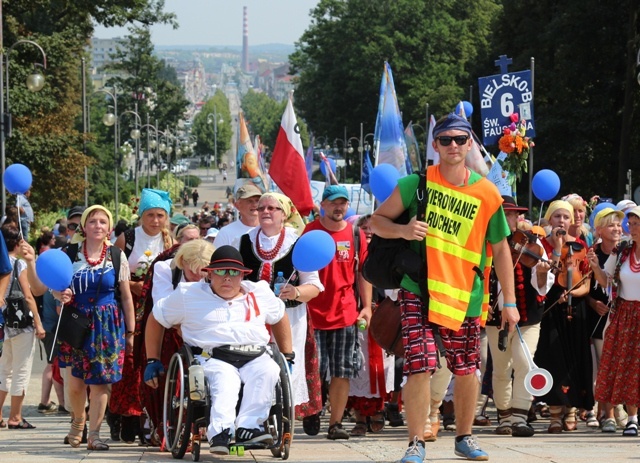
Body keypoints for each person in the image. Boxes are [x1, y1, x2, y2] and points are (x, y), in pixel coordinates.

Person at [370, 113, 517, 462]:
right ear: (435, 145)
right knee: (419, 366)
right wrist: (403, 231)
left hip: (465, 293)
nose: (453, 145)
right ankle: (415, 442)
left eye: (460, 139)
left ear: (470, 144)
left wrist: (508, 301)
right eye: (446, 140)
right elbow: (376, 222)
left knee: (466, 369)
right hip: (418, 289)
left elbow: (501, 249)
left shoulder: (486, 192)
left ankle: (464, 437)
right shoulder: (414, 184)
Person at [145, 245, 293, 455]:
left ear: (242, 275)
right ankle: (220, 433)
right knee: (226, 380)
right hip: (214, 357)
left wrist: (288, 355)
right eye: (221, 271)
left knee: (269, 371)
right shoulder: (188, 294)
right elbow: (156, 318)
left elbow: (280, 316)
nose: (227, 278)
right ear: (210, 273)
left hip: (255, 355)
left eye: (233, 272)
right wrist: (152, 359)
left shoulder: (259, 291)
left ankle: (248, 428)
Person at [48, 205, 135, 450]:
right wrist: (59, 294)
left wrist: (130, 333)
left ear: (109, 228)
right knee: (75, 384)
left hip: (107, 325)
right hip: (77, 322)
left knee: (101, 382)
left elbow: (126, 297)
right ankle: (78, 422)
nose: (98, 225)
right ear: (84, 227)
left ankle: (95, 435)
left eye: (103, 222)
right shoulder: (70, 252)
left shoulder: (117, 255)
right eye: (93, 221)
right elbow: (54, 287)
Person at [238, 192, 324, 433]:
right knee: (254, 363)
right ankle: (254, 418)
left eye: (272, 208)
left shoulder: (298, 242)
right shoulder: (244, 240)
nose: (265, 211)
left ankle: (280, 416)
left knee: (286, 365)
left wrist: (295, 292)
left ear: (284, 214)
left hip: (291, 318)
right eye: (261, 207)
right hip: (252, 316)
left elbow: (314, 285)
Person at [304, 184, 372, 440]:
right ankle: (313, 408)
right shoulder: (310, 232)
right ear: (323, 205)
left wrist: (366, 306)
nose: (339, 207)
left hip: (345, 314)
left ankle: (335, 424)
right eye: (333, 202)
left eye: (343, 202)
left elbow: (363, 273)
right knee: (316, 370)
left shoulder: (356, 234)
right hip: (313, 313)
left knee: (342, 371)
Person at [485, 196, 554, 437]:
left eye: (513, 214)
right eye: (504, 214)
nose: (509, 218)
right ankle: (504, 416)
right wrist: (486, 301)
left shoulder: (533, 244)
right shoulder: (485, 243)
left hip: (528, 317)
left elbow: (543, 285)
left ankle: (520, 417)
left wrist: (544, 274)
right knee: (501, 368)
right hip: (496, 316)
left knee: (525, 362)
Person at [110, 188, 174, 443]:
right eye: (151, 215)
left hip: (155, 306)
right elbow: (112, 274)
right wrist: (132, 285)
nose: (155, 221)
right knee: (128, 361)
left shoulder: (169, 241)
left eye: (160, 215)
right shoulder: (127, 239)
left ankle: (149, 417)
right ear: (141, 216)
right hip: (130, 304)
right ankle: (124, 416)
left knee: (150, 357)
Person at [141, 237, 214, 445]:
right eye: (193, 272)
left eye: (204, 272)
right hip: (170, 328)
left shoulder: (213, 272)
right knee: (170, 383)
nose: (198, 278)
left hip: (204, 329)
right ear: (182, 262)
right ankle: (171, 429)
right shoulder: (165, 269)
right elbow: (162, 309)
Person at [534, 200, 594, 433]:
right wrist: (557, 248)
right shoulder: (543, 247)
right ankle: (555, 415)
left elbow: (586, 283)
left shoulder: (580, 246)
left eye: (565, 217)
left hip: (575, 308)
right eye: (557, 216)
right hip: (551, 308)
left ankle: (571, 410)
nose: (561, 221)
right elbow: (542, 282)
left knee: (574, 359)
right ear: (549, 219)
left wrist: (573, 292)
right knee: (553, 360)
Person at [590, 205, 640, 436]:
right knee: (627, 366)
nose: (632, 227)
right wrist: (594, 266)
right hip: (625, 314)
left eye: (636, 223)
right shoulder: (622, 251)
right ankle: (632, 418)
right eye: (631, 223)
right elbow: (605, 280)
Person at [346, 214, 395, 437]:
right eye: (363, 228)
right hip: (355, 314)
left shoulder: (387, 251)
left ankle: (379, 411)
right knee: (359, 365)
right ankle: (359, 416)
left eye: (371, 227)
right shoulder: (353, 254)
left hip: (384, 313)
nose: (368, 231)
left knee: (383, 365)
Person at [0, 224, 45, 429]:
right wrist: (38, 321)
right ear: (18, 244)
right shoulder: (18, 265)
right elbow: (28, 296)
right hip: (21, 325)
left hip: (3, 325)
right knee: (21, 371)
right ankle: (15, 417)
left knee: (4, 371)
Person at [586, 207, 624, 431]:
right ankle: (605, 413)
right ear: (599, 229)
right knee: (603, 367)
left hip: (623, 315)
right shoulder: (592, 252)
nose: (617, 228)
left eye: (618, 224)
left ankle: (620, 412)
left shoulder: (626, 251)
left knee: (620, 365)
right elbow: (584, 286)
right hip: (598, 317)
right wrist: (592, 302)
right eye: (611, 224)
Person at [215, 183, 262, 249]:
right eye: (249, 201)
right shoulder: (226, 233)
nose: (254, 205)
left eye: (257, 200)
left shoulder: (269, 230)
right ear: (237, 205)